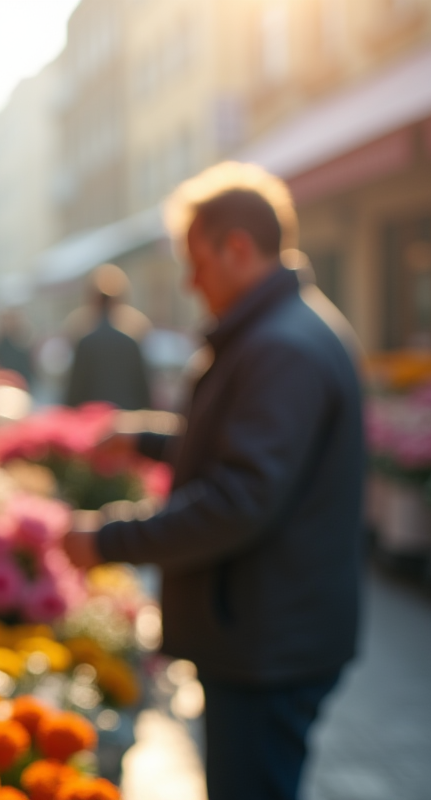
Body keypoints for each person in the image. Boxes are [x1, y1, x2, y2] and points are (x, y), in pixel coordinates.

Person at [63, 162, 365, 800]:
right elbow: (244, 449)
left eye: (196, 260)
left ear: (237, 247)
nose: (190, 280)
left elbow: (239, 498)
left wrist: (108, 540)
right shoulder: (276, 332)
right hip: (270, 628)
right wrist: (145, 438)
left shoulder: (281, 346)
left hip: (269, 639)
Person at [64, 264, 152, 409]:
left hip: (94, 423)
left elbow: (74, 395)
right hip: (126, 424)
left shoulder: (86, 343)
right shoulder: (131, 342)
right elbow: (143, 393)